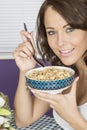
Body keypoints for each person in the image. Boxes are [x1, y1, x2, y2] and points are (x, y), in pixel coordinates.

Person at [13, 0, 87, 129]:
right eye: (51, 32)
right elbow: (23, 120)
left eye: (69, 29)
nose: (60, 42)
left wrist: (72, 117)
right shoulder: (62, 75)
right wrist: (26, 70)